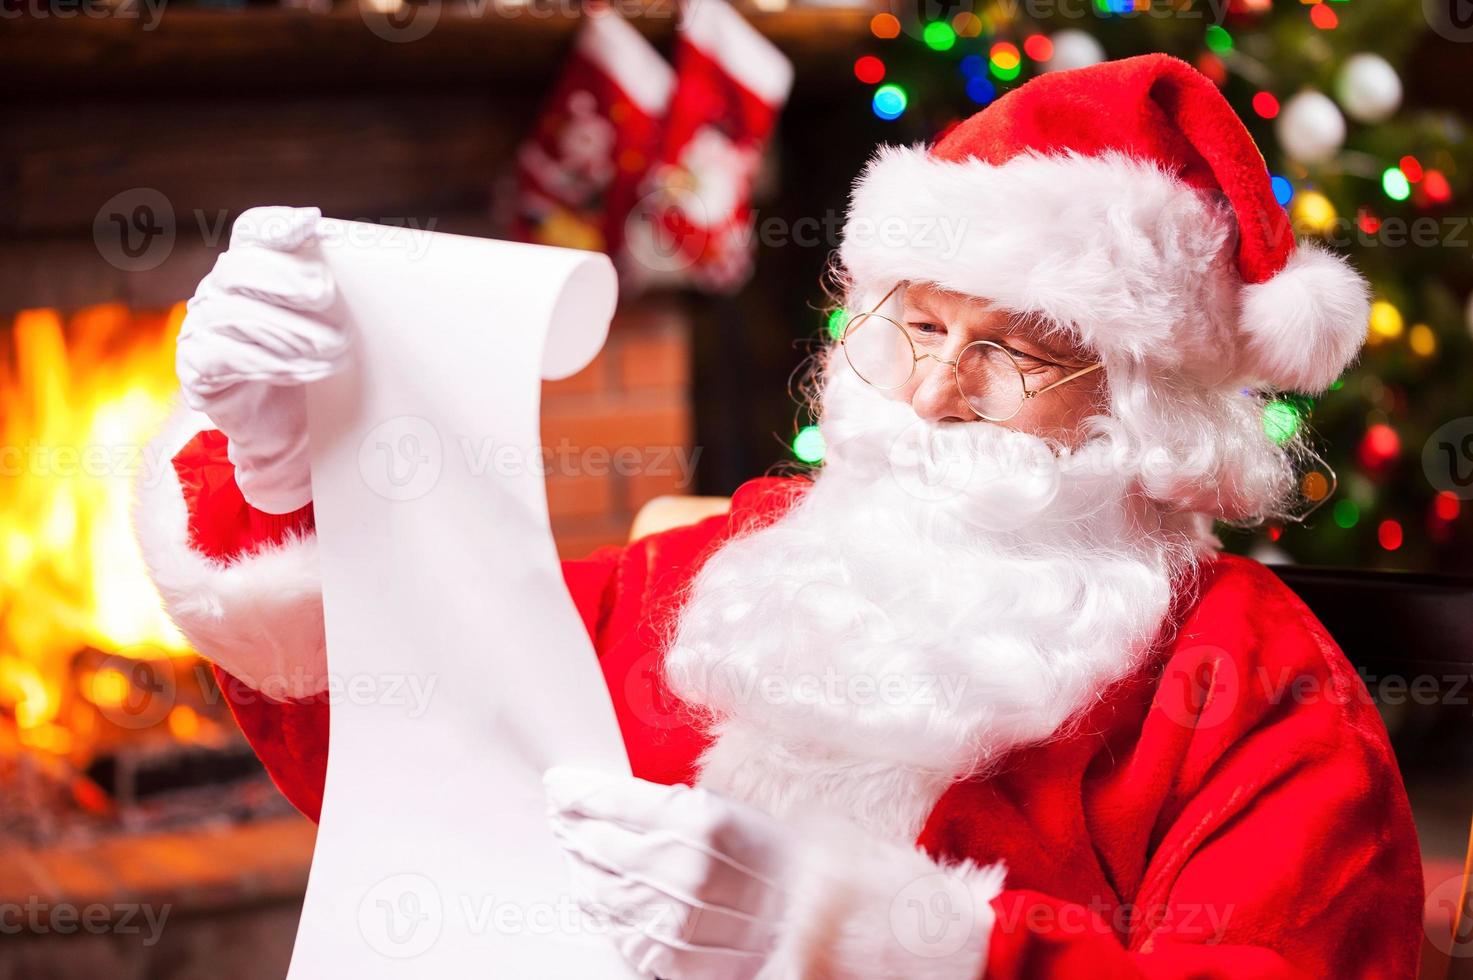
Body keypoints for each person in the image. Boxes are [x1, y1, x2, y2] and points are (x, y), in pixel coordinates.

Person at [135, 54, 1423, 978]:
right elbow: (403, 725)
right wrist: (285, 460)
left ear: (1149, 410)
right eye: (917, 324)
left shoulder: (1251, 686)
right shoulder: (737, 568)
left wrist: (867, 940)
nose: (931, 391)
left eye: (1017, 353)